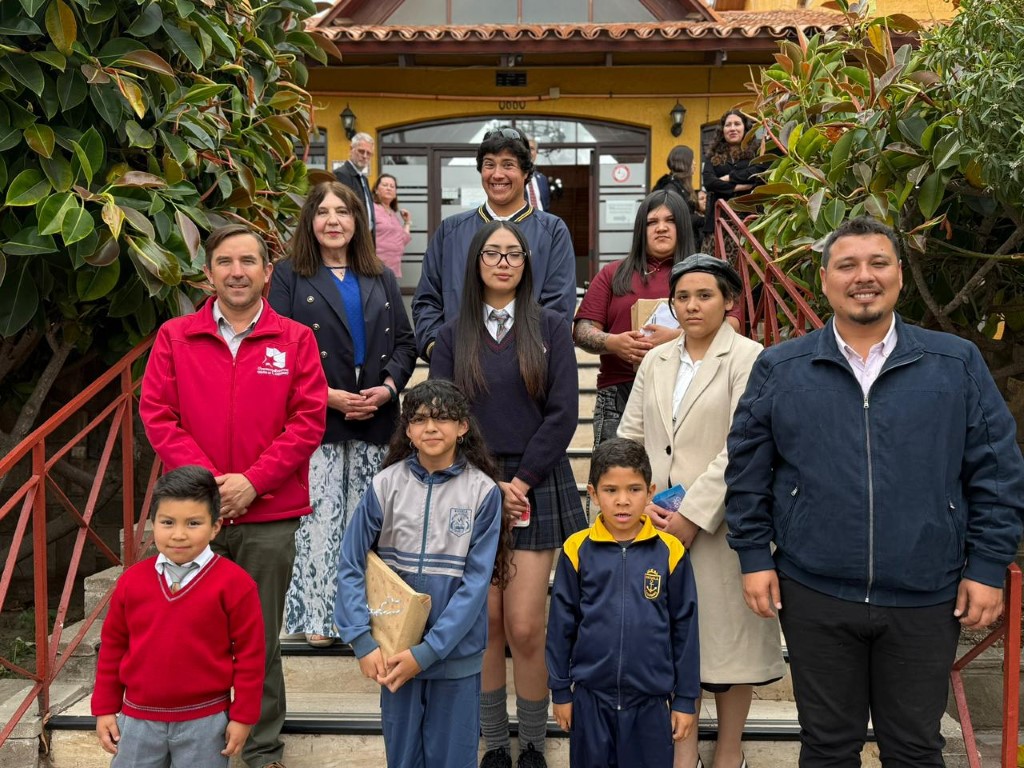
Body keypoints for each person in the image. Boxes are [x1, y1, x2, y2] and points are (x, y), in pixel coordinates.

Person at [725, 216, 1024, 767]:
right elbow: (747, 470)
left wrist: (986, 565)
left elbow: (997, 470)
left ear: (900, 277)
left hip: (926, 593)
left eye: (878, 262)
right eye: (848, 265)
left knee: (914, 749)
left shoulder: (955, 363)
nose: (864, 276)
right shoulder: (781, 368)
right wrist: (752, 554)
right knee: (827, 748)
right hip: (815, 591)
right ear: (824, 279)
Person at [140, 224, 328, 768]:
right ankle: (191, 744)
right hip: (190, 519)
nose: (237, 271)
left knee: (259, 641)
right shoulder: (175, 336)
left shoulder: (296, 339)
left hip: (269, 514)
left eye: (249, 261)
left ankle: (262, 748)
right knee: (185, 635)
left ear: (269, 273)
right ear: (208, 272)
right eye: (225, 261)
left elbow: (307, 420)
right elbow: (159, 415)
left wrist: (252, 482)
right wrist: (211, 487)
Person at [429, 220, 586, 768]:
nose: (502, 261)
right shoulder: (452, 335)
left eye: (513, 253)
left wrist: (520, 483)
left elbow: (565, 411)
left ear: (526, 263)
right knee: (487, 623)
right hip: (471, 483)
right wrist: (484, 478)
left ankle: (536, 744)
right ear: (476, 263)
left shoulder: (549, 326)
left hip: (535, 483)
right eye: (492, 253)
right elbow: (444, 412)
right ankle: (495, 742)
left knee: (523, 624)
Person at [618, 253, 784, 768]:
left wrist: (692, 513)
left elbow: (745, 444)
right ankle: (682, 747)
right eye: (682, 297)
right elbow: (630, 436)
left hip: (722, 523)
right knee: (665, 637)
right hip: (654, 524)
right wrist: (638, 499)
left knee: (727, 641)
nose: (691, 306)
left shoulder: (749, 357)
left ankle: (729, 749)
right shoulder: (656, 360)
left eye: (704, 295)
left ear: (729, 301)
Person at [268, 181, 417, 648]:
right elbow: (275, 346)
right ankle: (318, 616)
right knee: (320, 520)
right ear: (310, 221)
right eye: (323, 211)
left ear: (358, 222)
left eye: (344, 212)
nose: (334, 220)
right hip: (316, 416)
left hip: (374, 415)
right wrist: (325, 395)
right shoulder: (289, 274)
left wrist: (389, 388)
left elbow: (406, 345)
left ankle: (364, 618)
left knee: (366, 522)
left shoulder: (380, 277)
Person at [335, 380, 506, 768]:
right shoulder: (385, 485)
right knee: (403, 759)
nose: (431, 427)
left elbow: (476, 586)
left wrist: (428, 652)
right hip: (395, 657)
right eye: (420, 419)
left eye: (443, 418)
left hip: (455, 659)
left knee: (453, 759)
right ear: (407, 430)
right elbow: (350, 562)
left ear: (463, 427)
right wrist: (361, 639)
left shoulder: (482, 492)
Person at [92, 465, 266, 767]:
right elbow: (112, 648)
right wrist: (105, 708)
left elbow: (251, 657)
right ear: (153, 523)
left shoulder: (236, 585)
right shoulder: (131, 582)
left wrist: (243, 716)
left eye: (194, 523)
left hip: (206, 721)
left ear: (216, 526)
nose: (179, 534)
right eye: (168, 522)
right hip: (136, 720)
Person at [546, 437, 700, 768]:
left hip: (650, 703)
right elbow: (561, 627)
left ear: (650, 491)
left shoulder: (670, 551)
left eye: (633, 489)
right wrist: (560, 690)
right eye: (611, 490)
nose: (623, 501)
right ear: (593, 493)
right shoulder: (576, 550)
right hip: (590, 701)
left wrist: (686, 699)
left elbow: (685, 629)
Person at [412, 125, 576, 361]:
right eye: (489, 164)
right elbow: (427, 299)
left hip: (526, 371)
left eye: (508, 165)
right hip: (457, 371)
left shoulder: (552, 231)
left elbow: (558, 307)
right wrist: (439, 348)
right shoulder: (450, 230)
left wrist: (519, 357)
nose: (497, 174)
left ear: (526, 173)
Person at [574, 190, 700, 448]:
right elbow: (582, 330)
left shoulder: (705, 274)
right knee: (616, 483)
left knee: (681, 486)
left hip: (691, 392)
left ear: (684, 227)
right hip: (619, 396)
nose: (661, 228)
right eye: (652, 222)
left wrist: (678, 339)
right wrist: (614, 343)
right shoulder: (613, 273)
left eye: (670, 221)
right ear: (641, 229)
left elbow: (730, 328)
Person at [701, 110, 766, 253]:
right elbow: (709, 182)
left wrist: (730, 178)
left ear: (745, 128)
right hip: (718, 223)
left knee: (744, 269)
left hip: (748, 222)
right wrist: (738, 186)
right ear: (722, 130)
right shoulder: (713, 155)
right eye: (728, 125)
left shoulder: (755, 153)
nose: (732, 128)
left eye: (737, 124)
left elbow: (758, 173)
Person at [652, 145, 704, 244]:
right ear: (684, 162)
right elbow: (677, 218)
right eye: (692, 160)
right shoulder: (671, 188)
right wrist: (702, 220)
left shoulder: (680, 186)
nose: (695, 163)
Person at [334, 131, 377, 232]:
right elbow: (343, 211)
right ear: (351, 150)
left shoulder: (363, 178)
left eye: (369, 153)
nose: (365, 156)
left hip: (366, 237)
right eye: (361, 151)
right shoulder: (341, 174)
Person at [372, 173, 413, 277]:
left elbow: (403, 240)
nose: (389, 188)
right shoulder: (371, 209)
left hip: (393, 268)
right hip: (375, 267)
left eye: (392, 186)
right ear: (376, 190)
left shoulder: (393, 214)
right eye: (385, 185)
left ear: (395, 193)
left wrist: (407, 222)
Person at [525, 136, 551, 211]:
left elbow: (546, 206)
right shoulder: (515, 177)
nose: (529, 151)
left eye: (532, 149)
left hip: (541, 220)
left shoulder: (542, 179)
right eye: (526, 149)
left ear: (536, 152)